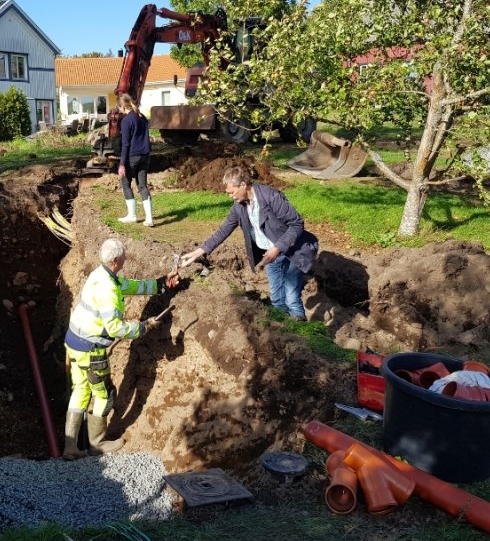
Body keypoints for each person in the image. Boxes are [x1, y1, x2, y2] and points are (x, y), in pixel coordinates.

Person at [62, 238, 178, 460]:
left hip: (75, 343)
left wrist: (160, 283)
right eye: (124, 255)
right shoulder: (108, 291)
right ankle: (97, 444)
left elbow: (127, 286)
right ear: (116, 260)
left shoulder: (101, 274)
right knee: (105, 395)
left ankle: (70, 448)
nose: (126, 258)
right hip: (91, 348)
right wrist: (144, 327)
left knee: (81, 390)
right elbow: (114, 328)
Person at [180, 164, 318, 320]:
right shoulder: (239, 207)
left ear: (243, 185)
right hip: (271, 255)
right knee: (277, 299)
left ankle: (303, 336)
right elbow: (223, 230)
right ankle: (286, 333)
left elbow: (297, 223)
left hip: (293, 250)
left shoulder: (270, 197)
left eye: (232, 192)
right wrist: (199, 251)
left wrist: (278, 247)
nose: (230, 196)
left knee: (291, 296)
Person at [116, 93, 154, 226]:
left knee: (125, 183)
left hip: (132, 156)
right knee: (142, 185)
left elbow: (126, 144)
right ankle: (149, 219)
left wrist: (122, 164)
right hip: (145, 155)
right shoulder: (141, 116)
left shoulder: (126, 120)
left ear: (122, 106)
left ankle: (132, 215)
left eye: (118, 107)